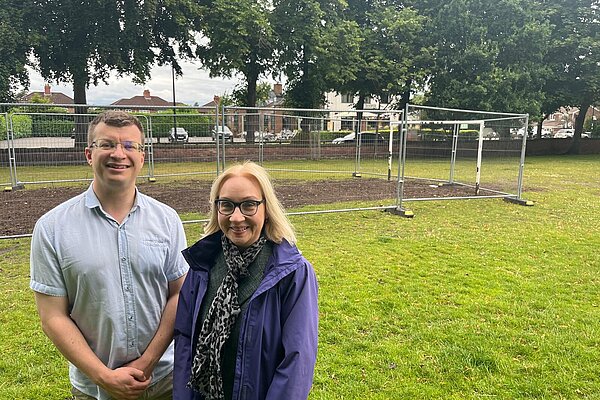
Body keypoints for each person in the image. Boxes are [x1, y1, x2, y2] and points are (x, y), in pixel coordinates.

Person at [30, 110, 188, 400]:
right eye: (107, 144)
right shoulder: (52, 228)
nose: (119, 154)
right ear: (89, 154)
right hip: (94, 388)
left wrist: (147, 362)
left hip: (165, 379)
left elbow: (179, 294)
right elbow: (53, 316)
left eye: (130, 146)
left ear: (142, 156)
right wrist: (104, 377)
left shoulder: (167, 220)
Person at [173, 161, 318, 400]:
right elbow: (185, 340)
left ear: (266, 208)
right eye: (227, 205)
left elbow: (297, 359)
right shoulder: (202, 265)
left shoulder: (291, 273)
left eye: (249, 205)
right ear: (216, 208)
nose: (237, 217)